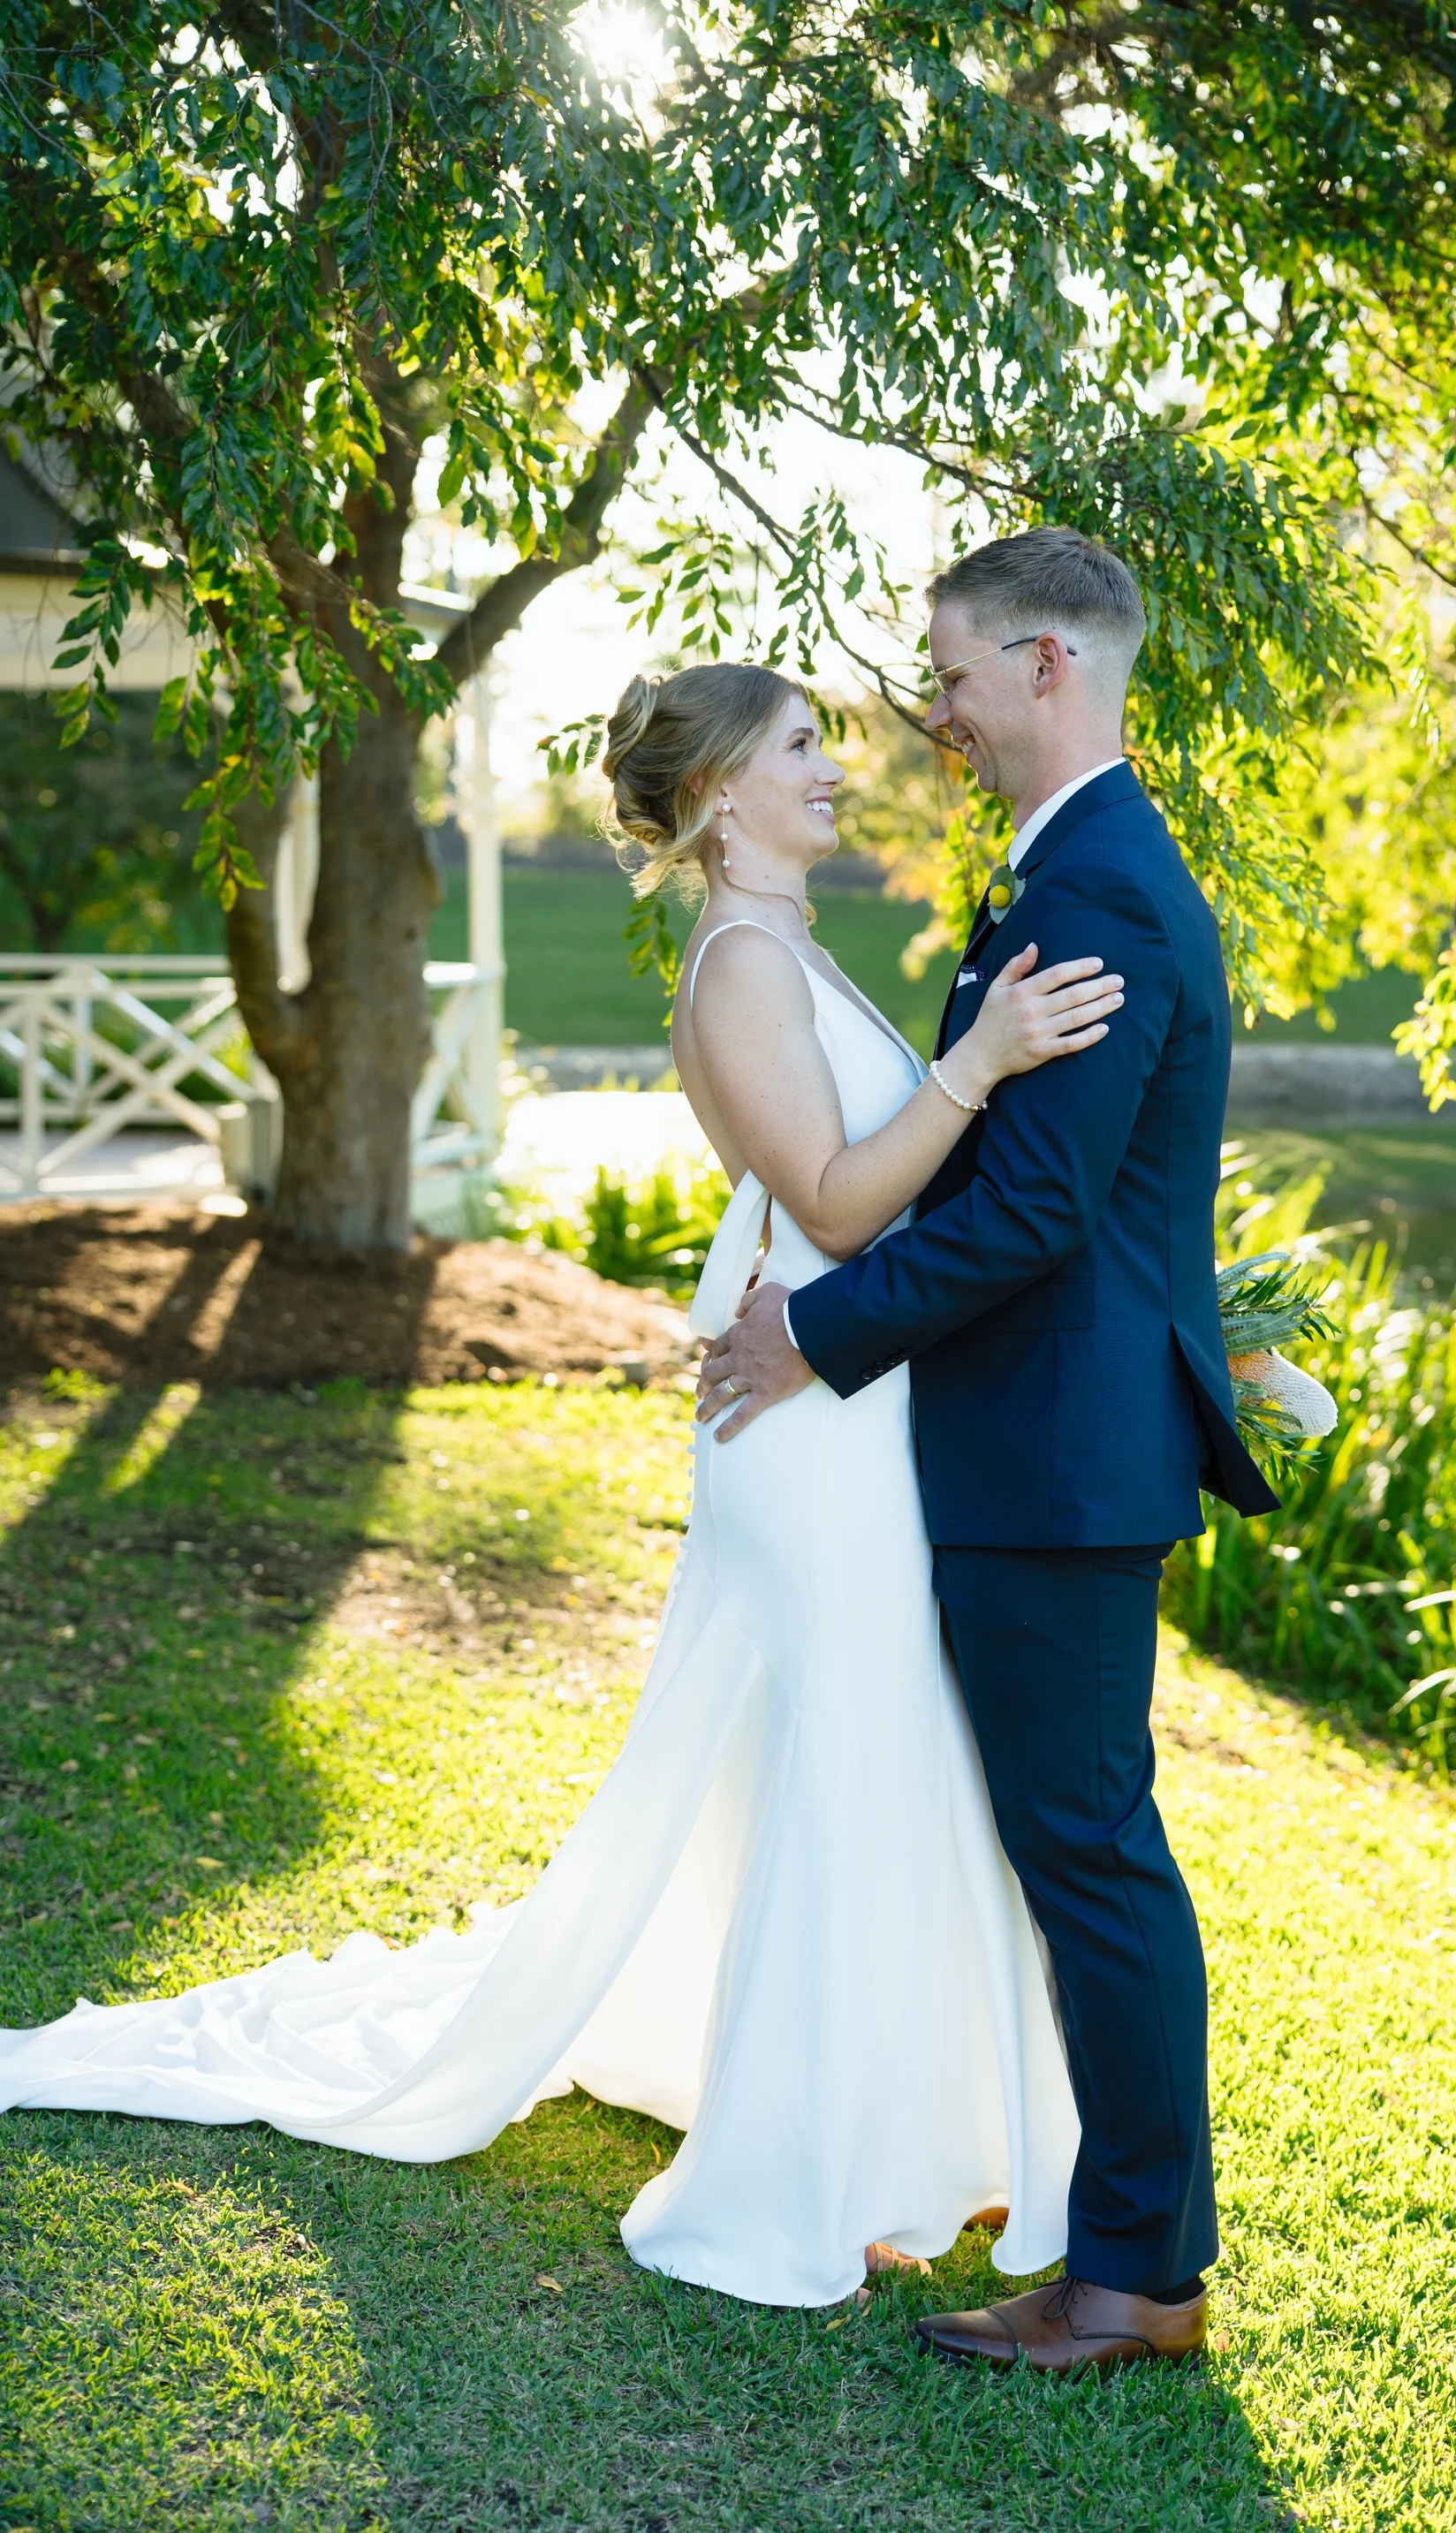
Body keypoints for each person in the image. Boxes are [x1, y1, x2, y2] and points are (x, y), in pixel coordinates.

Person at [0, 656, 1127, 2313]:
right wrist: (986, 1063)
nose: (837, 767)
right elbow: (828, 1201)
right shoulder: (742, 965)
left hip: (840, 1394)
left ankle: (887, 2116)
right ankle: (812, 2157)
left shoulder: (788, 946)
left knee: (859, 1741)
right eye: (803, 746)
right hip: (807, 1416)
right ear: (724, 791)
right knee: (846, 1738)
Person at [698, 527, 1279, 2373]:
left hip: (1050, 1457)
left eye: (949, 675)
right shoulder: (1072, 872)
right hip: (1046, 1443)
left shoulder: (1093, 890)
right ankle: (1113, 2237)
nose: (927, 711)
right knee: (1083, 1841)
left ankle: (1132, 2272)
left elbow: (1031, 1211)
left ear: (1044, 665)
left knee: (1091, 1854)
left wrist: (814, 1327)